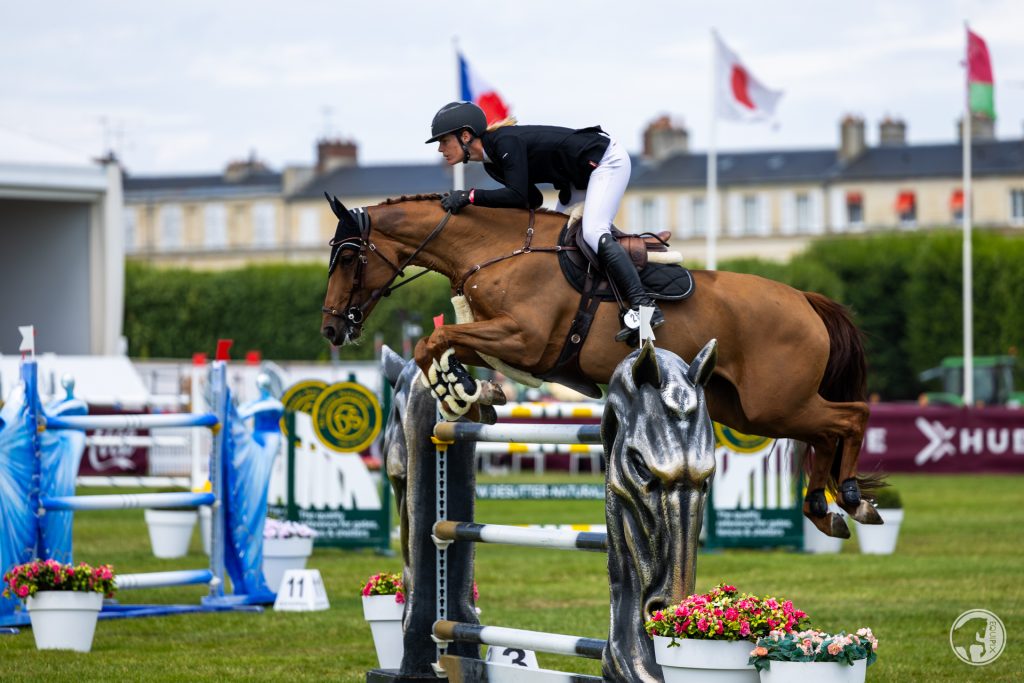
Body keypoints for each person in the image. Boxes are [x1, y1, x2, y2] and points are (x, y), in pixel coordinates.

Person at [425, 101, 664, 343]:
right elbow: (531, 199)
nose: (440, 149)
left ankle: (645, 307)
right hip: (577, 179)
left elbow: (517, 195)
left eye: (444, 141)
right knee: (555, 243)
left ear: (465, 136)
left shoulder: (504, 143)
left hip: (605, 161)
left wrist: (470, 196)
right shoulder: (492, 163)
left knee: (593, 232)